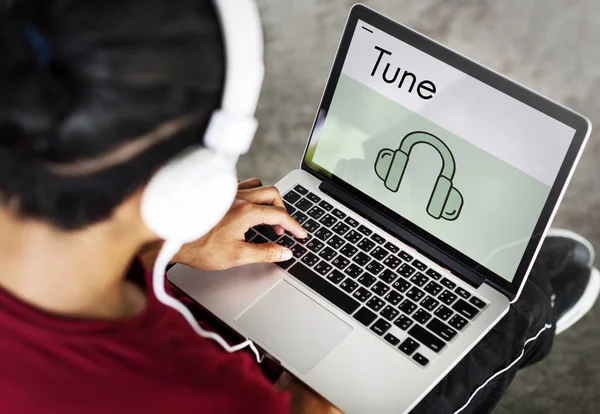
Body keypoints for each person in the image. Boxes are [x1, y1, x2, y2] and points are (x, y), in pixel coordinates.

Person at [0, 1, 597, 414]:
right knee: (508, 310)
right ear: (192, 183)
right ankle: (534, 317)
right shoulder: (213, 397)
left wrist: (169, 246)